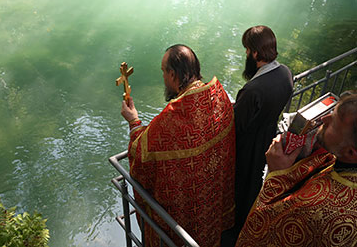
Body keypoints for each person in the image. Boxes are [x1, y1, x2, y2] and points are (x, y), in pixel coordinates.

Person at [121, 44, 236, 247]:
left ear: (173, 74)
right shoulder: (219, 96)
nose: (163, 77)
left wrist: (134, 122)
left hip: (185, 217)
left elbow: (141, 155)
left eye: (163, 72)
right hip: (211, 205)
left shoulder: (172, 117)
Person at [237, 93, 357, 246]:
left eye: (333, 124)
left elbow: (261, 229)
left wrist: (275, 175)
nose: (324, 119)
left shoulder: (316, 209)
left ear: (351, 153)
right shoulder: (342, 163)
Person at [224, 25, 293, 245]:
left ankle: (236, 230)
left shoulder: (253, 90)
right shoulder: (285, 73)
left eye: (246, 50)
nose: (246, 54)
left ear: (255, 53)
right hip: (268, 135)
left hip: (248, 146)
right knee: (255, 182)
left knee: (242, 185)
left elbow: (237, 125)